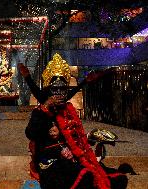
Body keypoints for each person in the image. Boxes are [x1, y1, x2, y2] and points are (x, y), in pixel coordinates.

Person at [18, 53, 128, 189]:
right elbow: (31, 134)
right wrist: (29, 80)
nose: (59, 93)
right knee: (85, 177)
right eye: (55, 89)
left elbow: (74, 136)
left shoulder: (66, 109)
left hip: (73, 157)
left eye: (63, 89)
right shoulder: (41, 112)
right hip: (52, 162)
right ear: (49, 92)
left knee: (117, 178)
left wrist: (89, 137)